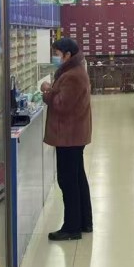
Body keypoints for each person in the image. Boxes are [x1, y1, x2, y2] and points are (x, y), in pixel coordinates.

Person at [41, 37, 93, 241]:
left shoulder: (72, 76)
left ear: (67, 55)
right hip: (73, 134)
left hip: (69, 135)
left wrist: (47, 92)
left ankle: (71, 228)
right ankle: (84, 222)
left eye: (56, 54)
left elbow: (62, 104)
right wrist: (54, 88)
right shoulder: (74, 71)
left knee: (68, 180)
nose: (54, 57)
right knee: (77, 177)